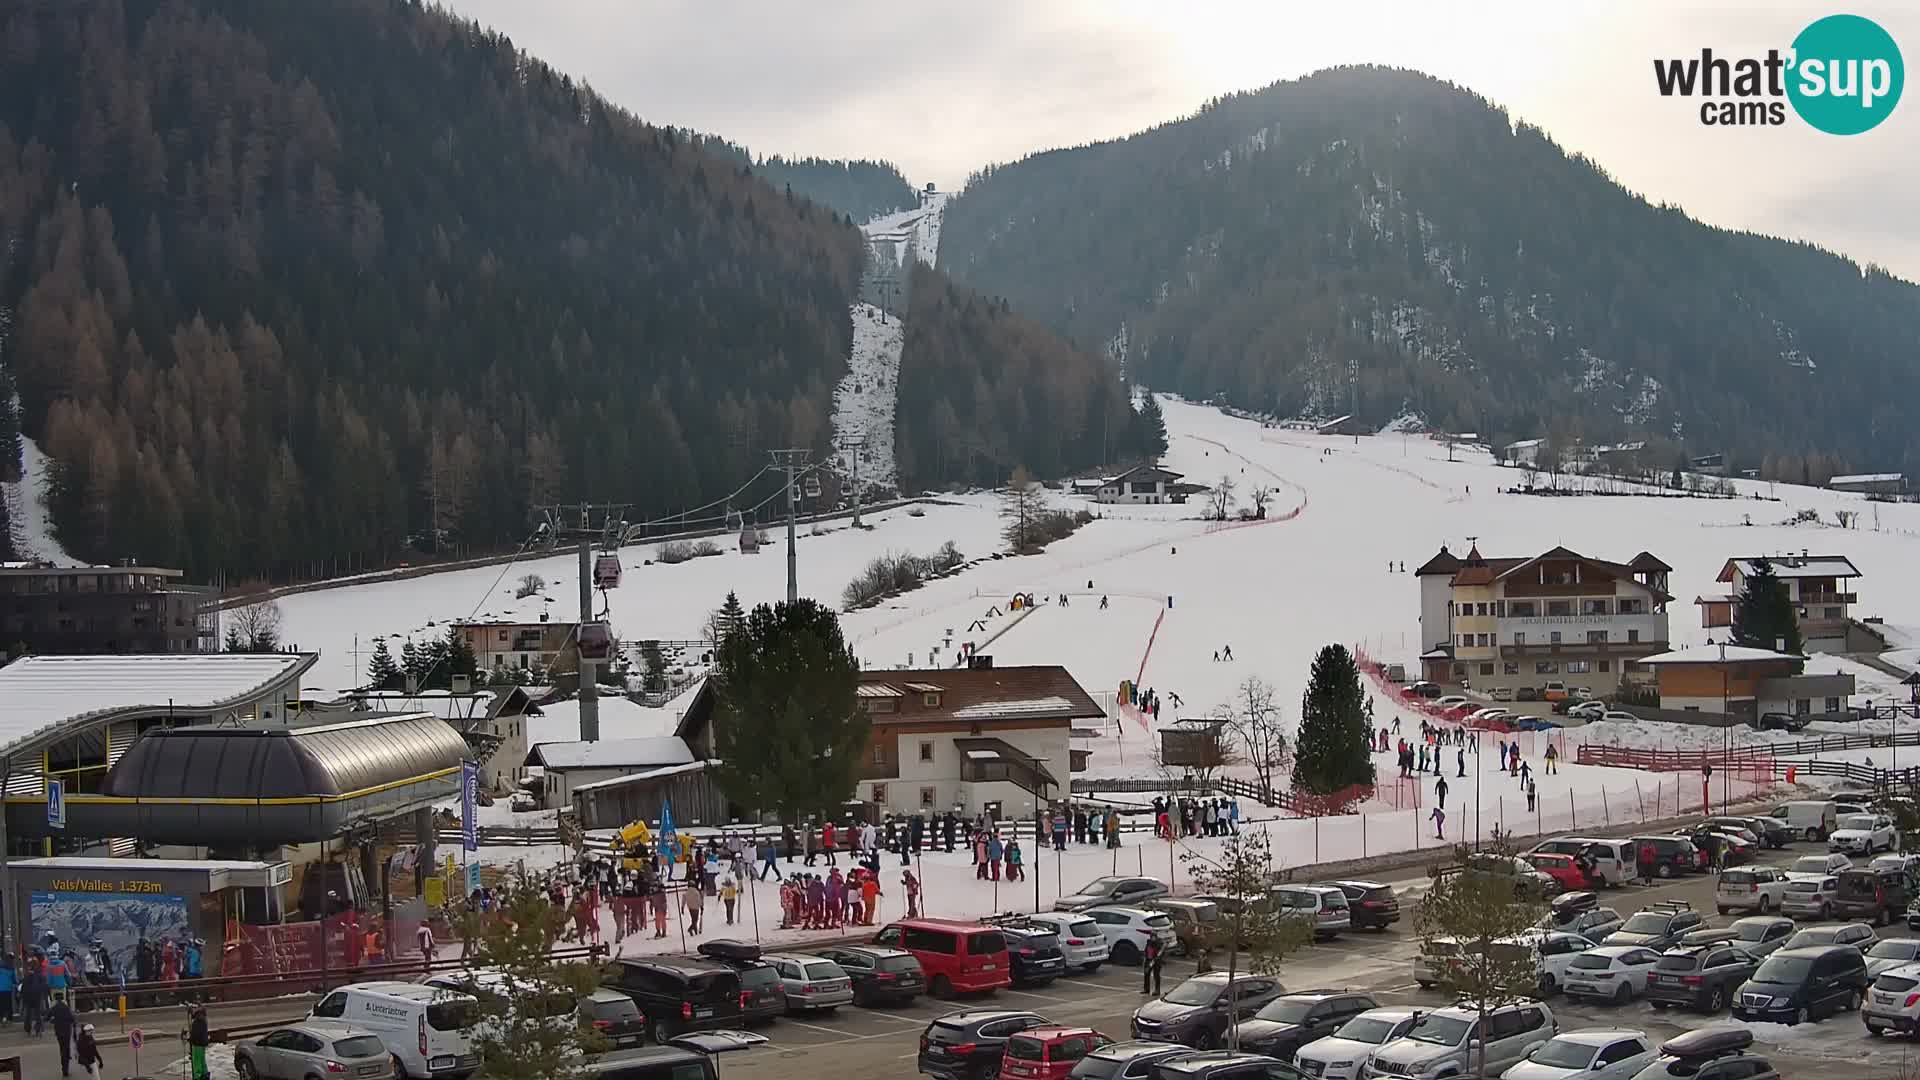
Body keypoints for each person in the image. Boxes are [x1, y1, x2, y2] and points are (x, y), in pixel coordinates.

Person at [50, 992, 75, 1076]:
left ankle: (64, 1068)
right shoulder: (66, 1007)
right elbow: (72, 1019)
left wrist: (53, 1020)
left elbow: (47, 1017)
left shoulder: (54, 1008)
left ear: (55, 999)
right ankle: (67, 1056)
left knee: (62, 1048)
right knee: (66, 1046)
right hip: (67, 1030)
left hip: (58, 1030)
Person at [188, 1003, 211, 1080]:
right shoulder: (202, 1019)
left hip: (197, 1044)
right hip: (202, 1043)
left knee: (197, 1061)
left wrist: (190, 1039)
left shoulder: (198, 1021)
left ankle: (198, 1077)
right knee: (201, 1060)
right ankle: (205, 1075)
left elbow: (196, 1034)